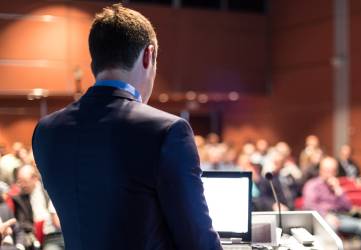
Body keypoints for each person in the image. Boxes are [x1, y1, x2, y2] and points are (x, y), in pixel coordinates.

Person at [32, 4, 221, 250]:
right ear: (148, 55)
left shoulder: (46, 132)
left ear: (94, 63)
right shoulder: (167, 131)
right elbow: (198, 242)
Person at [303, 157, 361, 250]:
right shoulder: (312, 185)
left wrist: (338, 190)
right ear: (321, 170)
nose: (330, 173)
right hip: (321, 219)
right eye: (327, 170)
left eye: (333, 171)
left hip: (340, 217)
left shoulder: (336, 185)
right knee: (331, 227)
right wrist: (326, 215)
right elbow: (310, 205)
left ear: (336, 172)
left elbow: (348, 207)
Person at [13, 165, 63, 250]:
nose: (22, 185)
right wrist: (37, 227)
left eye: (25, 181)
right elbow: (22, 222)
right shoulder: (19, 199)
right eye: (19, 181)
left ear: (35, 178)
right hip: (42, 235)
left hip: (58, 229)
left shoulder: (48, 189)